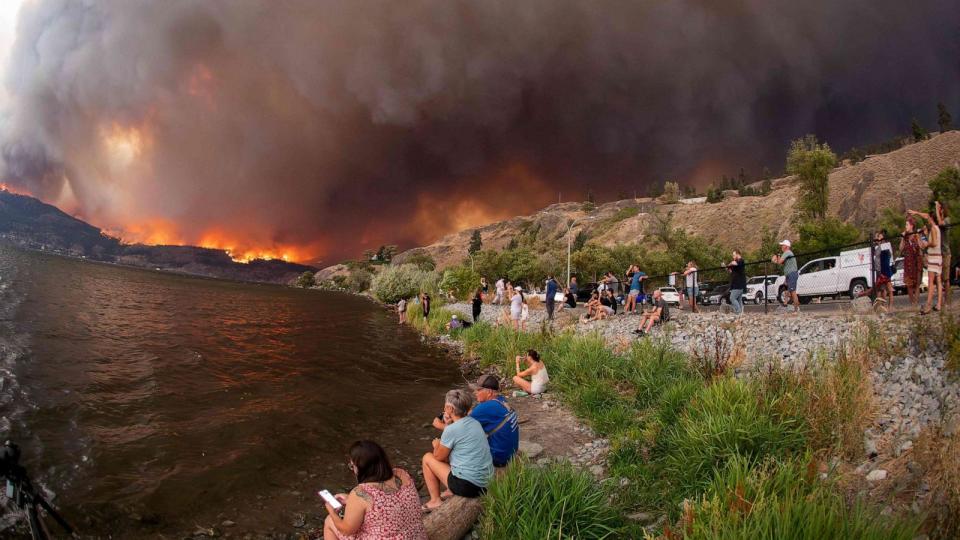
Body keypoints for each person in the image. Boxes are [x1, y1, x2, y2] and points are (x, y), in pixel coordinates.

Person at [322, 440, 426, 540]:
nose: (353, 470)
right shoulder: (401, 474)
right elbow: (387, 502)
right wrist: (351, 501)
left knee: (329, 521)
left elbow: (347, 530)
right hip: (417, 536)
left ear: (360, 467)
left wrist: (332, 512)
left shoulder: (361, 493)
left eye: (352, 466)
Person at [421, 390, 493, 511]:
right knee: (456, 453)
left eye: (446, 406)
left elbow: (439, 457)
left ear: (449, 408)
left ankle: (435, 501)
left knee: (427, 457)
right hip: (486, 482)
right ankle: (450, 490)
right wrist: (448, 424)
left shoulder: (452, 430)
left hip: (469, 486)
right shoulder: (475, 422)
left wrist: (436, 445)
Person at [433, 375, 520, 469]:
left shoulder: (486, 407)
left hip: (498, 457)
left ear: (489, 392)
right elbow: (470, 414)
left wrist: (440, 425)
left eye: (479, 390)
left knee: (450, 448)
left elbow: (458, 429)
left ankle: (453, 473)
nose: (475, 393)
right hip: (510, 452)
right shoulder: (500, 400)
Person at [910, 208, 943, 314]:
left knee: (930, 281)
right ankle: (938, 304)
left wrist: (926, 243)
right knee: (938, 281)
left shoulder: (933, 228)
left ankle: (928, 305)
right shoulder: (937, 228)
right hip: (938, 256)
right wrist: (917, 212)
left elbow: (933, 243)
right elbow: (925, 215)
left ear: (931, 218)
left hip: (933, 256)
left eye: (928, 218)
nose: (927, 219)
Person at [900, 217, 924, 308]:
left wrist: (919, 237)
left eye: (907, 224)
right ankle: (913, 305)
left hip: (916, 261)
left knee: (917, 284)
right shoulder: (905, 236)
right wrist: (902, 238)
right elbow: (901, 248)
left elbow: (921, 246)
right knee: (909, 285)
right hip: (908, 262)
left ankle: (916, 304)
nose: (905, 226)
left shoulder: (916, 235)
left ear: (911, 225)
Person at [772, 240, 800, 313]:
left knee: (793, 292)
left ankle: (796, 310)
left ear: (787, 247)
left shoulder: (787, 252)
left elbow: (779, 262)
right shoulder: (787, 253)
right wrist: (776, 259)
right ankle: (785, 303)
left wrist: (776, 257)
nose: (781, 246)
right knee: (788, 289)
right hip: (789, 274)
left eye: (782, 245)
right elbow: (780, 263)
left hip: (792, 274)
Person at [725, 250, 746, 315]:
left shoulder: (741, 260)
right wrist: (727, 268)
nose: (733, 256)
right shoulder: (736, 263)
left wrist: (730, 263)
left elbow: (735, 263)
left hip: (739, 284)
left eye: (734, 255)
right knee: (739, 300)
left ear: (738, 254)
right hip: (735, 284)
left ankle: (738, 311)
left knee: (732, 298)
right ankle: (741, 313)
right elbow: (731, 271)